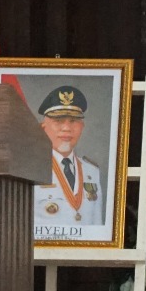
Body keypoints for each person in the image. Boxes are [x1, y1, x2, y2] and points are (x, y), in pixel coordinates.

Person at [33, 85, 104, 226]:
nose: (66, 128)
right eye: (58, 121)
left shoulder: (92, 171)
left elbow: (97, 224)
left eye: (73, 121)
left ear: (82, 126)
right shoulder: (30, 169)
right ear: (43, 128)